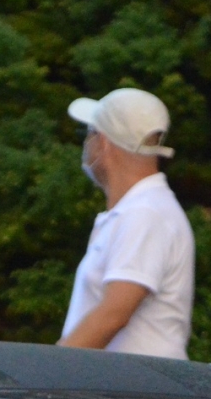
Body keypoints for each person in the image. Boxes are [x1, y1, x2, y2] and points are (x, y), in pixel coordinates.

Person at [57, 88, 194, 357]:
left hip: (137, 394)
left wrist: (46, 376)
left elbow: (113, 314)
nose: (86, 144)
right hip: (134, 392)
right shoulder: (144, 209)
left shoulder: (144, 213)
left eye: (89, 133)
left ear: (104, 143)